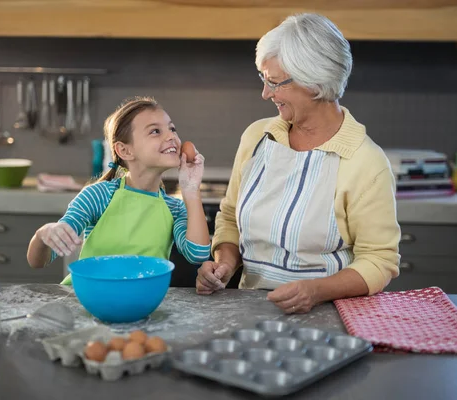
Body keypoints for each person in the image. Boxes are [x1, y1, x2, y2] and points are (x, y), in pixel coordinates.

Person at [196, 13, 401, 313]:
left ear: (315, 81)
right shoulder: (257, 138)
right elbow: (229, 217)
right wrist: (224, 263)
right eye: (264, 79)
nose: (266, 93)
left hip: (329, 317)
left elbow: (379, 261)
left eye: (275, 82)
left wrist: (316, 291)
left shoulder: (365, 162)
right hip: (248, 313)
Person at [28, 96, 211, 284]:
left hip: (141, 302)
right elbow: (38, 261)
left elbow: (197, 254)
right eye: (155, 131)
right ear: (124, 151)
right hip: (88, 300)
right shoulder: (98, 196)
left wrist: (191, 190)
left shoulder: (174, 207)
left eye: (172, 129)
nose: (171, 136)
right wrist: (43, 234)